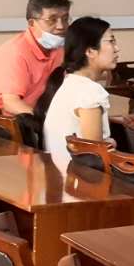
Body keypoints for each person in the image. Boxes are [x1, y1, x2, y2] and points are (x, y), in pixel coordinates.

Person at [0, 0, 72, 117]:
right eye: (52, 20)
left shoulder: (59, 48)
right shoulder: (15, 52)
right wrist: (48, 121)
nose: (61, 26)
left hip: (28, 114)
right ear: (32, 23)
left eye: (65, 19)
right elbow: (11, 104)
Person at [36, 17, 119, 166]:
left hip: (60, 173)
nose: (116, 48)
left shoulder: (70, 83)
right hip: (78, 176)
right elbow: (94, 155)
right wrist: (110, 143)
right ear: (90, 51)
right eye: (111, 41)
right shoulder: (90, 91)